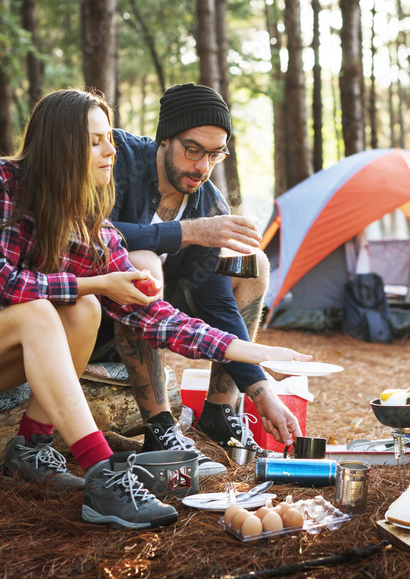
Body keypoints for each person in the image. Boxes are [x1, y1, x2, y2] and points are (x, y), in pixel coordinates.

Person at [0, 89, 312, 530]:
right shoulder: (2, 179)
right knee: (42, 309)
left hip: (1, 363)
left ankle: (31, 447)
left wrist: (250, 353)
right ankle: (103, 472)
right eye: (95, 141)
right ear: (60, 144)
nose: (111, 149)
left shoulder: (87, 217)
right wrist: (98, 282)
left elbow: (149, 314)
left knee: (85, 309)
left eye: (108, 138)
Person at [103, 82, 297, 474]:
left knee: (251, 262)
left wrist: (261, 392)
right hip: (93, 314)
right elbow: (89, 231)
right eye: (193, 150)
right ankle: (160, 427)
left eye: (215, 154)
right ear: (164, 138)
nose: (202, 167)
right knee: (142, 265)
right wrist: (188, 232)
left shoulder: (207, 201)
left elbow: (218, 305)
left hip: (168, 324)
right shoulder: (118, 159)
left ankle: (219, 411)